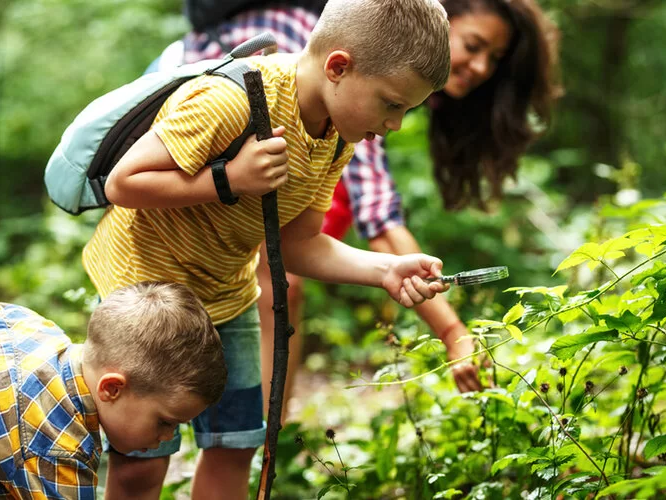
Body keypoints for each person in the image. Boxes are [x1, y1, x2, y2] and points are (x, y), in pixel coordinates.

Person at [81, 0, 452, 498]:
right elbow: (124, 182)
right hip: (148, 293)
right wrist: (229, 178)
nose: (396, 125)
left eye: (408, 110)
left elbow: (298, 245)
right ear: (338, 67)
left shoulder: (336, 136)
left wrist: (385, 268)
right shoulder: (229, 100)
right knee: (142, 460)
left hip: (228, 294)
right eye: (391, 104)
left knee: (235, 445)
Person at [152, 0, 561, 422]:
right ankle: (250, 432)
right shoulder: (354, 62)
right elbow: (378, 214)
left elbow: (314, 235)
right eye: (473, 45)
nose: (480, 68)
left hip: (244, 180)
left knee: (286, 268)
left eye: (493, 59)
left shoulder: (376, 92)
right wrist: (452, 332)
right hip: (179, 130)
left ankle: (260, 442)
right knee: (279, 284)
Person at [0, 281, 226, 499]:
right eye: (165, 422)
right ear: (112, 388)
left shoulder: (31, 326)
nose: (167, 437)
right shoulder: (58, 446)